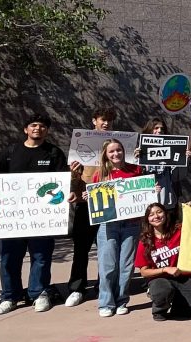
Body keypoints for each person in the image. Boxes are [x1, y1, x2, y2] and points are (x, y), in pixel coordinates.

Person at [0, 114, 74, 315]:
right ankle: (9, 297)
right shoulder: (11, 152)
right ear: (26, 129)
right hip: (12, 218)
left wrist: (71, 187)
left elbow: (62, 181)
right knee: (9, 257)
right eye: (33, 125)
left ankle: (38, 293)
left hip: (42, 218)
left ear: (47, 130)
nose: (38, 128)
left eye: (42, 126)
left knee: (41, 257)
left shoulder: (54, 153)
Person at [82, 138, 144, 317]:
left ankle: (122, 300)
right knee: (108, 265)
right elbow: (96, 199)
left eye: (119, 150)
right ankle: (106, 303)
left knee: (126, 265)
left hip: (131, 224)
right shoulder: (100, 174)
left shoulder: (136, 170)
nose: (116, 154)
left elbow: (142, 194)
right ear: (106, 155)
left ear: (124, 151)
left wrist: (150, 191)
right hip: (108, 224)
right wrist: (89, 196)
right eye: (112, 151)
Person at [65, 107, 116, 308]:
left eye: (110, 121)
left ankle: (103, 285)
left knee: (107, 249)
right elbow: (73, 180)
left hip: (108, 203)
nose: (106, 124)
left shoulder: (117, 146)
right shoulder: (80, 145)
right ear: (94, 120)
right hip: (85, 204)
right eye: (103, 120)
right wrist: (74, 174)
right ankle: (77, 288)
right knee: (81, 249)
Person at [136, 203, 191, 321]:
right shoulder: (145, 240)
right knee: (162, 290)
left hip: (182, 276)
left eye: (159, 212)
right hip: (159, 278)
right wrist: (165, 269)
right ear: (147, 220)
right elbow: (144, 272)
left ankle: (179, 304)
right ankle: (159, 309)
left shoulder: (179, 230)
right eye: (151, 215)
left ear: (166, 214)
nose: (156, 216)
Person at [136, 119, 185, 214]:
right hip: (148, 204)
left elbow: (178, 176)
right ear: (149, 130)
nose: (159, 131)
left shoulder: (172, 151)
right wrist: (136, 160)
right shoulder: (140, 152)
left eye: (162, 129)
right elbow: (135, 178)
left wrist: (183, 158)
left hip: (168, 203)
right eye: (156, 128)